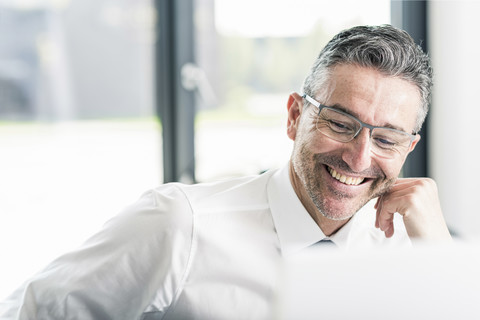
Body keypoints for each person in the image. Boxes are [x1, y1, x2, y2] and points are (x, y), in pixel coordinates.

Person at [0, 24, 452, 320]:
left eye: (386, 139)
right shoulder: (181, 224)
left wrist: (442, 261)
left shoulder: (413, 251)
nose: (358, 157)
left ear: (409, 149)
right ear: (295, 116)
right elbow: (33, 311)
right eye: (339, 123)